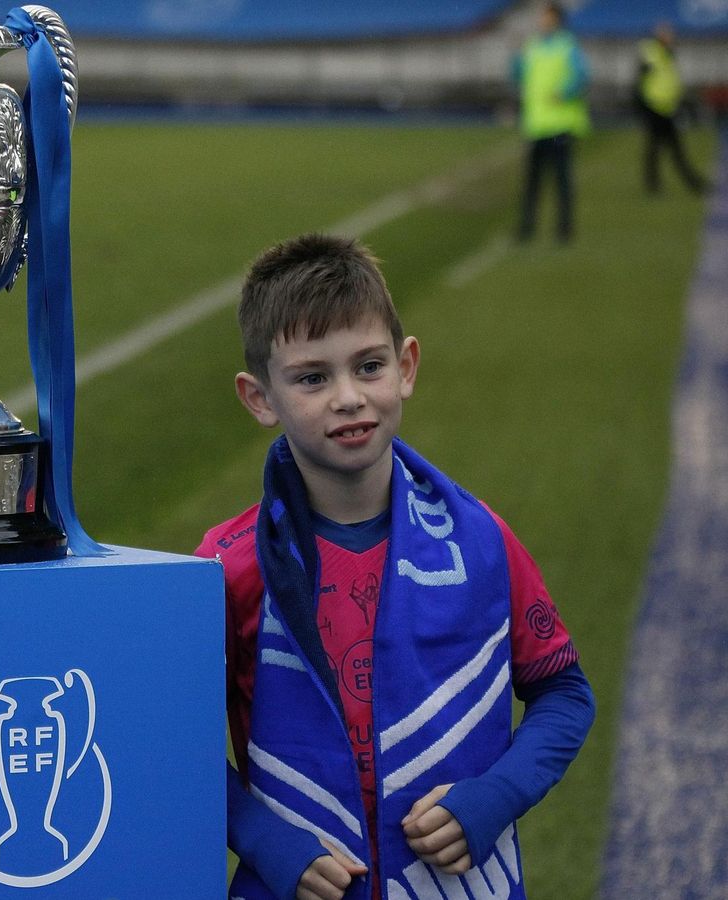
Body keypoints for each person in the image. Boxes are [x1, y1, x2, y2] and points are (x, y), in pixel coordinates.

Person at [199, 235, 595, 900]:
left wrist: (495, 796)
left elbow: (564, 694)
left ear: (406, 366)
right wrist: (268, 841)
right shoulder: (229, 565)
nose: (349, 397)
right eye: (311, 377)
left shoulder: (480, 541)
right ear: (259, 397)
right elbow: (172, 739)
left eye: (369, 366)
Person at [513, 2, 590, 243]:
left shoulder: (568, 46)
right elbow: (518, 75)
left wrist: (564, 93)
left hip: (560, 124)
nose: (542, 21)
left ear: (556, 19)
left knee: (562, 181)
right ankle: (527, 228)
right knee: (532, 183)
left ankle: (564, 229)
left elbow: (582, 77)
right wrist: (514, 60)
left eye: (546, 17)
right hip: (537, 125)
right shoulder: (532, 46)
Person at [634, 21, 708, 195]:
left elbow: (670, 81)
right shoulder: (652, 53)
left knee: (665, 149)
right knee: (661, 149)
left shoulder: (667, 54)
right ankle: (660, 185)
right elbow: (640, 81)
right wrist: (642, 105)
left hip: (667, 108)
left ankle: (681, 183)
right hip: (655, 108)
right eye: (667, 35)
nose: (670, 37)